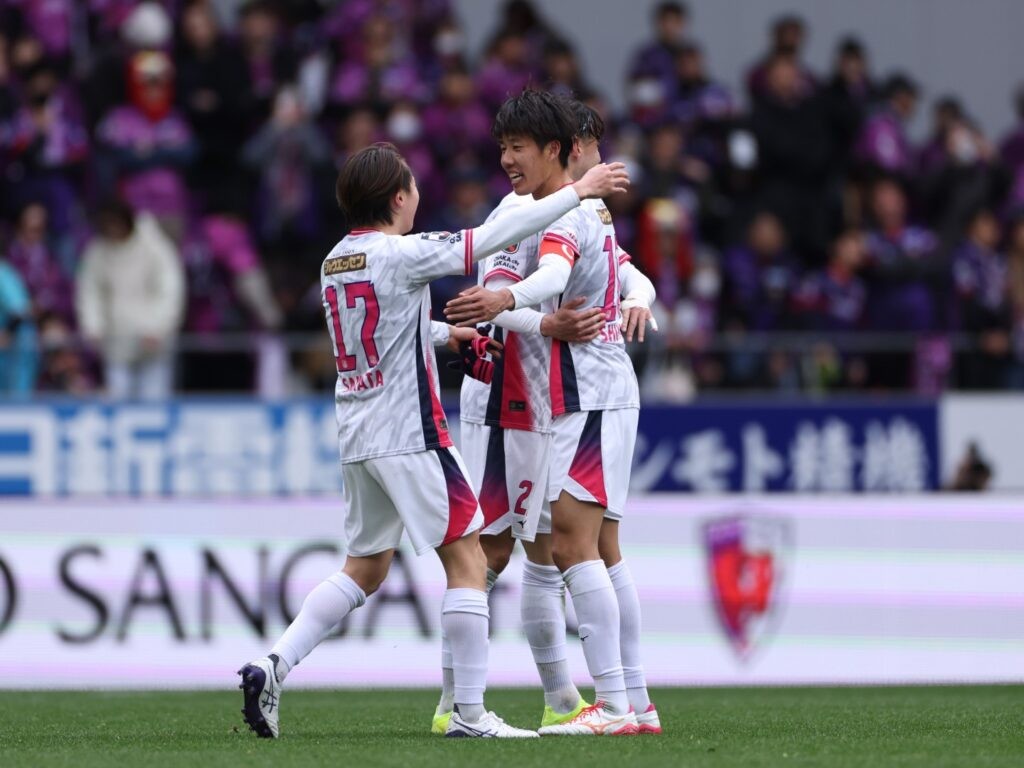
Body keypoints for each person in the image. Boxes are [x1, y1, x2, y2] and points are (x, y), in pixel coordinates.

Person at [237, 141, 629, 739]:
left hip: (358, 436)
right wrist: (577, 190)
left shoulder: (334, 262)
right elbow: (488, 239)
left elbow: (384, 326)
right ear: (399, 198)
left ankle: (273, 665)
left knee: (364, 569)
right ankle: (467, 713)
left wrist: (448, 334)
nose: (419, 194)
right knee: (470, 561)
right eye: (414, 186)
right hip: (412, 432)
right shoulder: (402, 253)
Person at [433, 95, 658, 736]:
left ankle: (607, 703)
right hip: (523, 399)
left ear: (561, 149)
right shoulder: (530, 211)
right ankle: (612, 701)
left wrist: (511, 302)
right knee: (541, 549)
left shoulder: (576, 210)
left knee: (557, 548)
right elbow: (522, 291)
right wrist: (530, 314)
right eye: (503, 148)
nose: (507, 160)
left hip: (569, 396)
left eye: (518, 148)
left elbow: (595, 273)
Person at [75, 198, 185, 400]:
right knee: (117, 401)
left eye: (115, 223)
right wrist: (93, 328)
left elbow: (170, 289)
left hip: (153, 343)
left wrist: (159, 327)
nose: (112, 229)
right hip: (116, 342)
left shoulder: (154, 246)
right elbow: (90, 293)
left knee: (154, 402)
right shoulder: (97, 251)